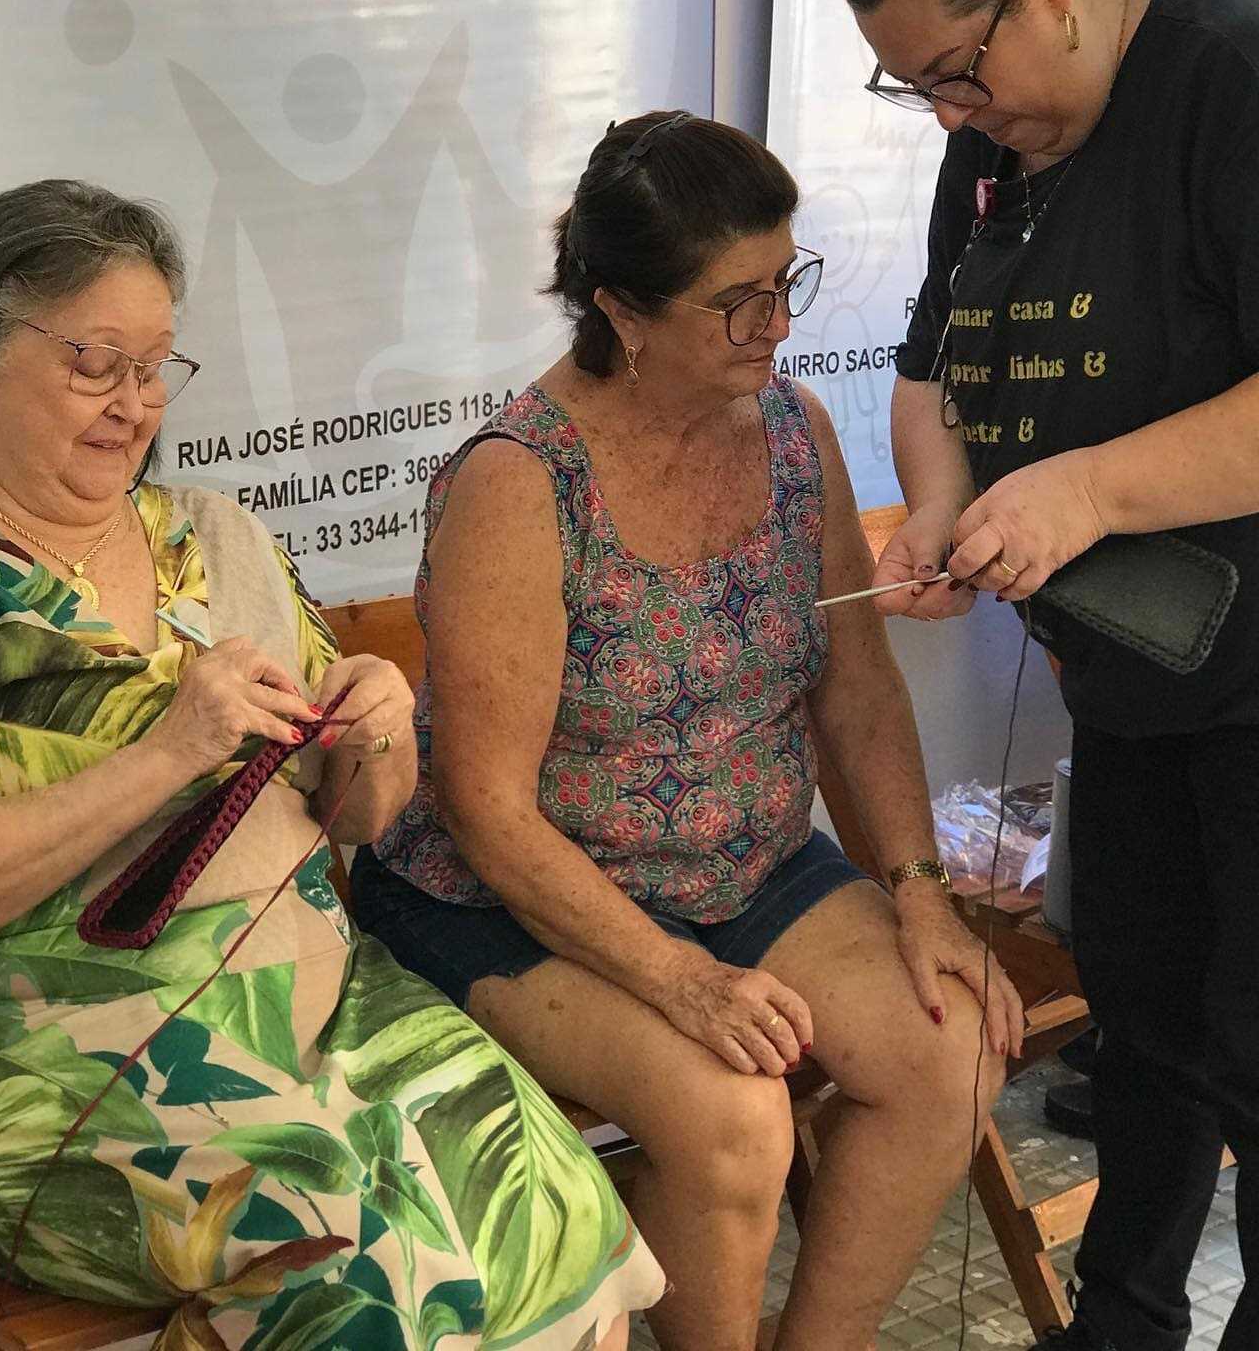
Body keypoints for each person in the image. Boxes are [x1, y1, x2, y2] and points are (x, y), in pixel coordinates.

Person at [0, 180, 662, 1351]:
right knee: (355, 1263)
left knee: (548, 1202)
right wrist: (172, 749)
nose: (134, 405)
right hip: (9, 1059)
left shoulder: (217, 534)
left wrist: (377, 729)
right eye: (96, 364)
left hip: (302, 1004)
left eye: (156, 367)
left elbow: (356, 811)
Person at [351, 112, 1023, 1351]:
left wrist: (920, 892)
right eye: (736, 304)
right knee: (736, 1118)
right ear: (622, 311)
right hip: (515, 895)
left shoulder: (790, 428)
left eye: (785, 285)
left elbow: (856, 687)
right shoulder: (520, 479)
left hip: (740, 864)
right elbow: (487, 809)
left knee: (954, 1039)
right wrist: (680, 980)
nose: (776, 327)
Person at [845, 0, 1259, 1351]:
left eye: (956, 75)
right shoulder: (1001, 130)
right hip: (1135, 666)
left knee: (1249, 1038)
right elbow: (932, 367)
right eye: (920, 97)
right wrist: (944, 505)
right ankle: (1126, 1321)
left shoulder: (1228, 77)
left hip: (1254, 658)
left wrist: (1085, 488)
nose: (954, 120)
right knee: (1144, 1022)